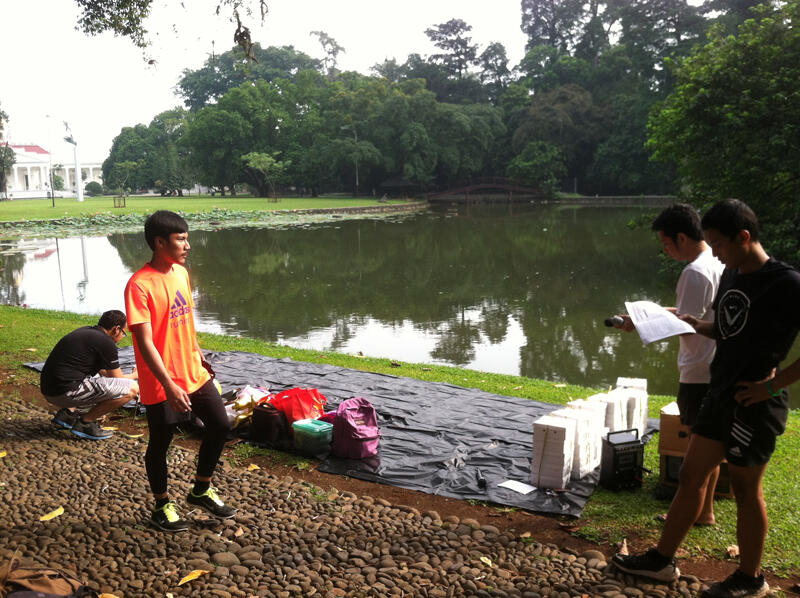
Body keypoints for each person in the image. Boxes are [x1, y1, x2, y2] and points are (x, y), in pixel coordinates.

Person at [613, 199, 800, 598]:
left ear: (744, 237)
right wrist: (699, 324)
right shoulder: (731, 273)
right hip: (719, 393)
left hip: (755, 401)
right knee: (692, 477)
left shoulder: (786, 283)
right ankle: (663, 560)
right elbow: (727, 328)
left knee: (749, 492)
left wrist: (771, 386)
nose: (714, 253)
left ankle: (751, 578)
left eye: (718, 243)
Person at [124, 210, 235, 532]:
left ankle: (200, 488)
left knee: (220, 425)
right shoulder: (139, 285)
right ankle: (161, 505)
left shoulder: (181, 272)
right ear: (160, 242)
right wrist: (170, 386)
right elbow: (145, 342)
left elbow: (184, 321)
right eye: (181, 239)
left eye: (187, 238)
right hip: (162, 382)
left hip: (194, 371)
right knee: (161, 442)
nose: (188, 245)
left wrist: (198, 354)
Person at [614, 203, 724, 525]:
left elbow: (686, 324)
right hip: (715, 366)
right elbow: (691, 313)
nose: (665, 250)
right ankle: (706, 512)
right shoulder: (718, 260)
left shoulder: (694, 272)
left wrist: (642, 322)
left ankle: (690, 511)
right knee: (710, 445)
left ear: (682, 238)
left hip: (697, 369)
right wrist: (641, 316)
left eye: (666, 243)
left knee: (697, 450)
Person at [40, 310, 139, 440]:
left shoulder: (86, 332)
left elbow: (103, 372)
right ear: (116, 329)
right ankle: (86, 423)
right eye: (123, 333)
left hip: (49, 389)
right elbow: (117, 378)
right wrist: (134, 375)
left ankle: (67, 414)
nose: (122, 337)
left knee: (97, 377)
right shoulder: (106, 342)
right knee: (132, 388)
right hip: (64, 393)